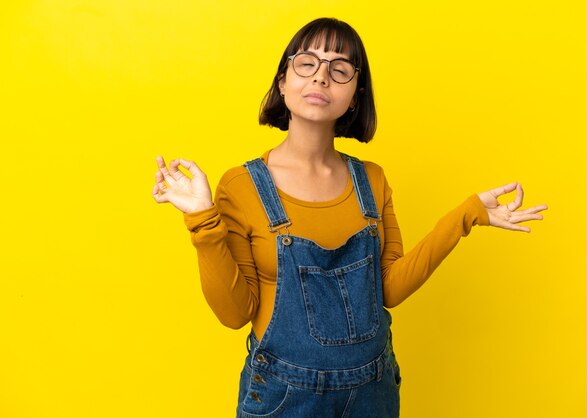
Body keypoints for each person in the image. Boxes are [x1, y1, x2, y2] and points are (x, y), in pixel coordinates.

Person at [152, 17, 547, 418]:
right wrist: (203, 220)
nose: (321, 77)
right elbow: (235, 314)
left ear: (355, 95)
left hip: (372, 394)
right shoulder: (241, 186)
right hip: (283, 397)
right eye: (307, 63)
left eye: (339, 69)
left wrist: (467, 215)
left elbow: (388, 290)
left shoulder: (371, 181)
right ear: (282, 82)